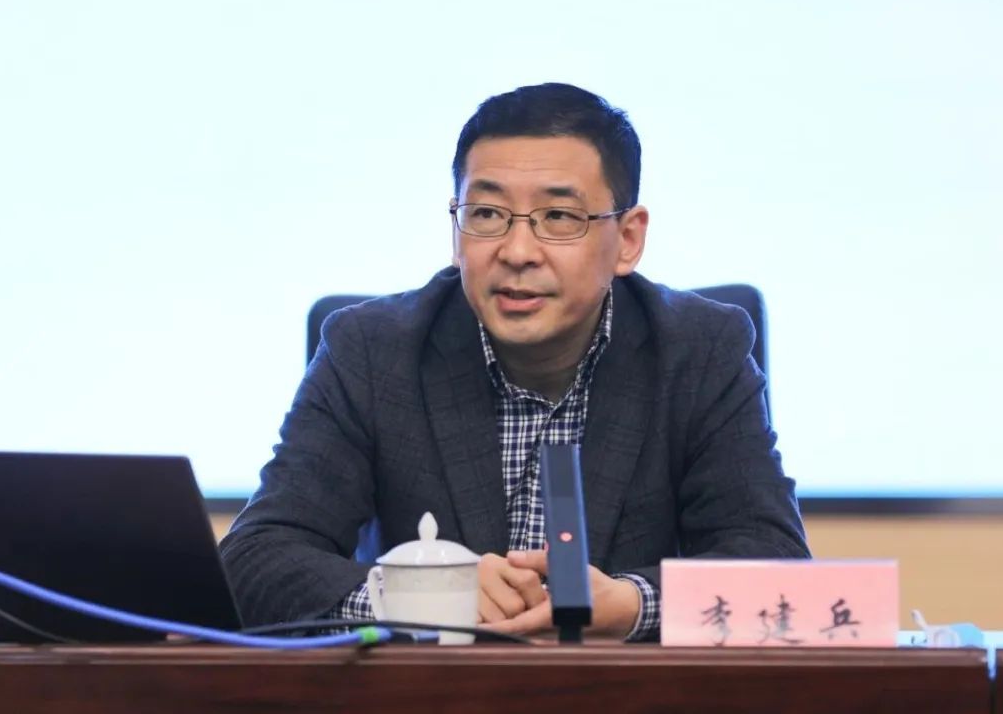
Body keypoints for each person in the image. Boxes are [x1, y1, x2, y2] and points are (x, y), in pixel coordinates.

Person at [220, 83, 809, 642]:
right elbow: (254, 561)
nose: (518, 252)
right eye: (486, 214)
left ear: (628, 239)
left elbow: (776, 567)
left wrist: (632, 605)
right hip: (429, 694)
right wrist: (418, 594)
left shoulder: (699, 350)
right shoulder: (373, 351)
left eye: (559, 217)